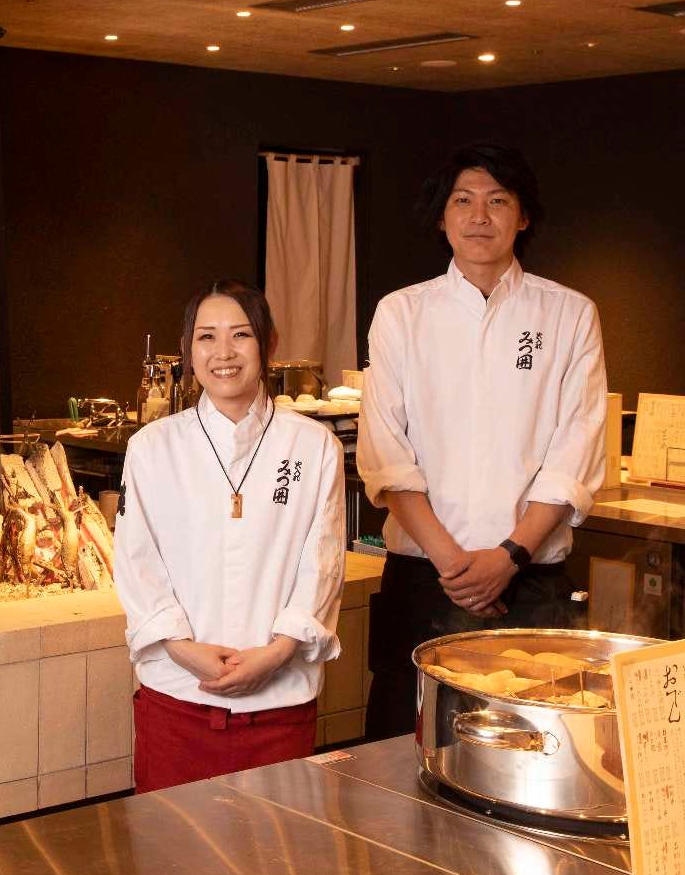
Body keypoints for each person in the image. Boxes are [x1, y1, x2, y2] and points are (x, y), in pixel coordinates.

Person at [357, 142, 607, 740]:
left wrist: (508, 557)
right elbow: (387, 454)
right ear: (441, 217)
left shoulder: (569, 313)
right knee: (399, 748)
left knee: (530, 747)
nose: (479, 216)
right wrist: (457, 566)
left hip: (531, 578)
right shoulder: (402, 313)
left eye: (497, 201)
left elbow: (576, 449)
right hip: (423, 576)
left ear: (523, 216)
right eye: (462, 201)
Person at [114, 279, 345, 794]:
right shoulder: (153, 446)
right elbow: (135, 560)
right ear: (187, 350)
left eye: (241, 334)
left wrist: (280, 651)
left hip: (280, 705)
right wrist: (180, 646)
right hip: (178, 698)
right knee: (170, 843)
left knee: (279, 844)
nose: (223, 352)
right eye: (207, 337)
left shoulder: (313, 446)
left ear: (268, 344)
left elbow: (323, 561)